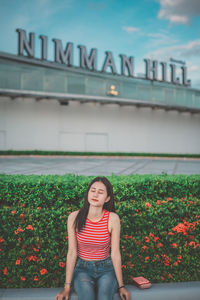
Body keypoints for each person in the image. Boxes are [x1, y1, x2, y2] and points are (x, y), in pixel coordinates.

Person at [55, 176, 131, 300]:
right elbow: (72, 253)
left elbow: (115, 254)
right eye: (93, 190)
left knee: (104, 298)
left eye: (100, 192)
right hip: (83, 269)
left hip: (106, 268)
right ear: (88, 193)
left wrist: (121, 286)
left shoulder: (112, 218)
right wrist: (67, 287)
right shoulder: (74, 217)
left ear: (107, 198)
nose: (95, 194)